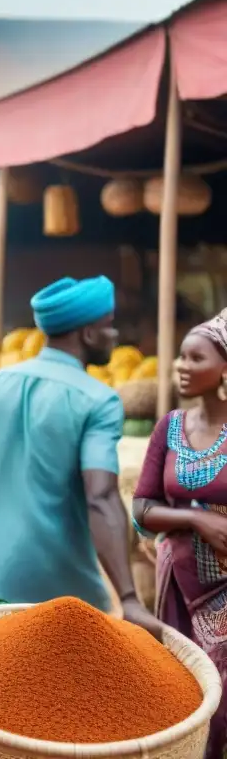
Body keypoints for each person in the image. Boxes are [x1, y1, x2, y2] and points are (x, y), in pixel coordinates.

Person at [0, 276, 160, 635]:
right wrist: (128, 597)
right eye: (109, 326)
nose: (115, 335)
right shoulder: (99, 400)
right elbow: (102, 496)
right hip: (62, 599)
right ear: (88, 335)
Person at [132, 309, 227, 758]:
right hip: (177, 586)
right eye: (181, 358)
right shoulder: (169, 427)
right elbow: (141, 508)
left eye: (197, 358)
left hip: (224, 590)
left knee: (221, 702)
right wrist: (195, 519)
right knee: (181, 690)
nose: (183, 367)